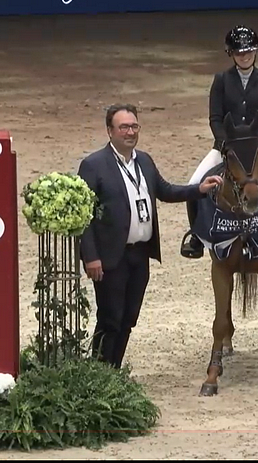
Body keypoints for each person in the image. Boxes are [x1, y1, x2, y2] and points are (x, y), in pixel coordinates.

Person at [78, 103, 223, 368]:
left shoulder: (144, 160)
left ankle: (114, 372)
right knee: (110, 319)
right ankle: (98, 373)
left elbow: (165, 191)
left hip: (140, 254)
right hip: (111, 256)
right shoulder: (93, 165)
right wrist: (90, 256)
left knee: (128, 319)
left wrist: (198, 189)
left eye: (134, 126)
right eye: (124, 127)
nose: (130, 132)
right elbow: (83, 215)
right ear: (110, 131)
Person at [181, 25, 258, 260]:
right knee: (194, 184)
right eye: (239, 52)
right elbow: (215, 118)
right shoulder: (221, 80)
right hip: (228, 147)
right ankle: (196, 237)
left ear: (255, 51)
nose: (245, 56)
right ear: (231, 54)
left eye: (249, 51)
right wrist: (224, 144)